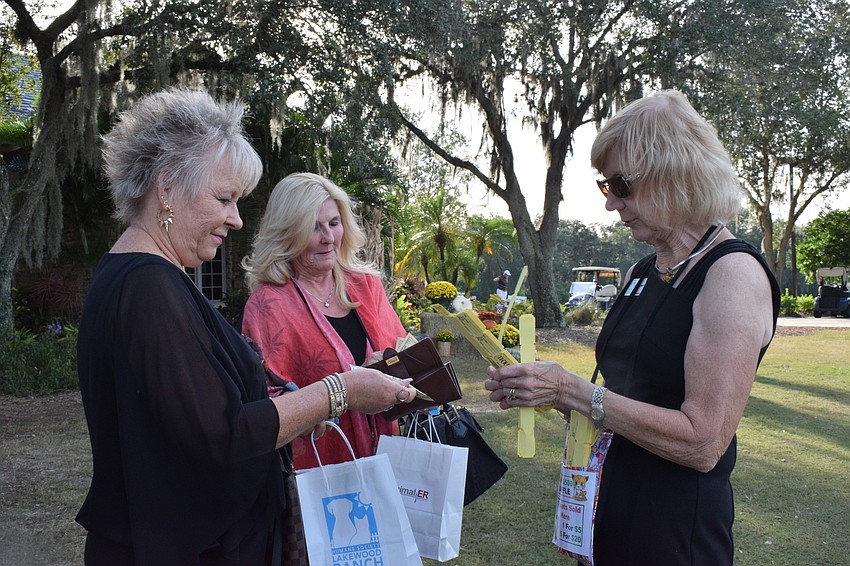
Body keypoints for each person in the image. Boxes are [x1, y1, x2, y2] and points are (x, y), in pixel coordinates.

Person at [75, 88, 415, 564]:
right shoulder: (148, 287)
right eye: (224, 198)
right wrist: (340, 393)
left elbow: (188, 419)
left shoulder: (137, 275)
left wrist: (302, 417)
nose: (236, 219)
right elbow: (224, 433)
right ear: (167, 186)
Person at [485, 90, 780, 565]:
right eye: (606, 187)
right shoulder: (645, 270)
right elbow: (624, 398)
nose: (611, 204)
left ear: (674, 173)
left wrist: (575, 391)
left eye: (621, 185)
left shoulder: (732, 273)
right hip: (610, 511)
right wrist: (549, 392)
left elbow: (703, 441)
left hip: (672, 535)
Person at [241, 172, 407, 469]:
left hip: (386, 460)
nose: (329, 238)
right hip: (320, 471)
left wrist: (394, 367)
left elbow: (403, 354)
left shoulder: (366, 286)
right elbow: (269, 407)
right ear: (287, 232)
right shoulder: (268, 305)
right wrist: (348, 387)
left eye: (334, 223)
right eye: (314, 228)